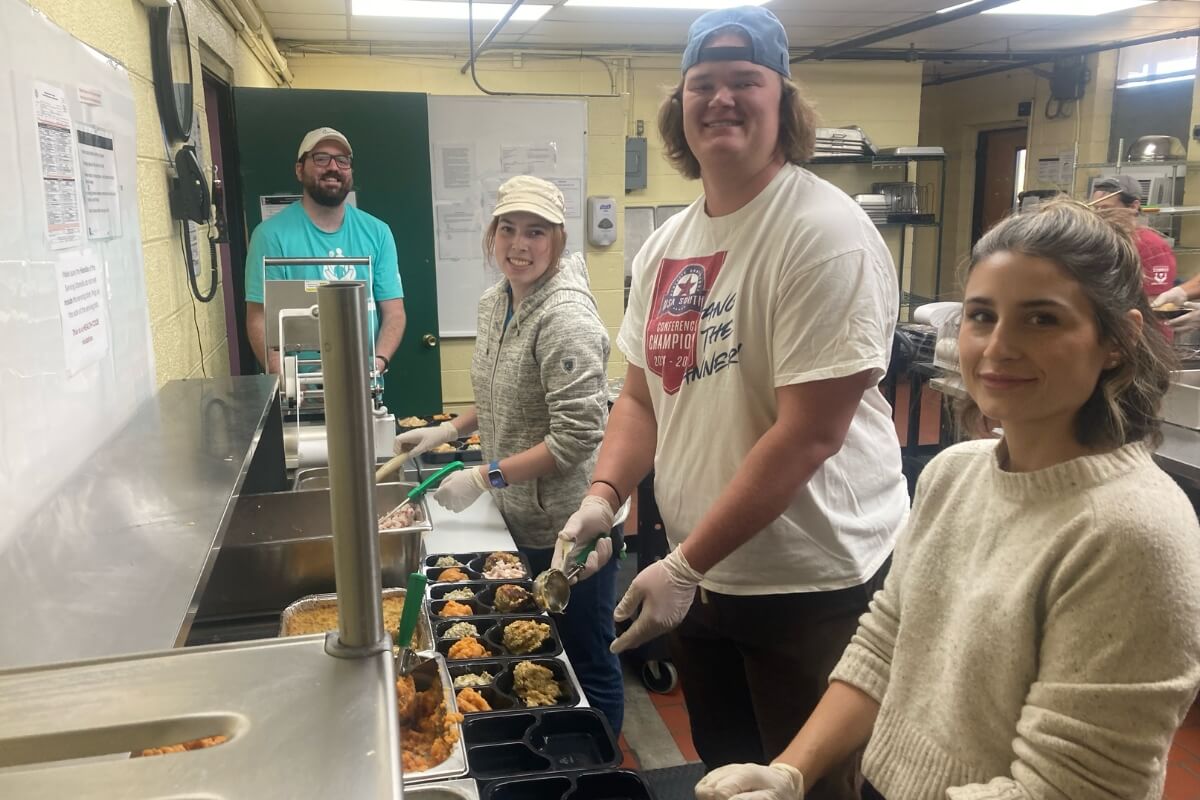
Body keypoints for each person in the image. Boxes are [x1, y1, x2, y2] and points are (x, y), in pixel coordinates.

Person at [695, 199, 1200, 800]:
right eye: (982, 316)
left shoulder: (1131, 532)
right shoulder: (953, 475)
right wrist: (791, 771)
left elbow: (1069, 787)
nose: (998, 347)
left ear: (1118, 340)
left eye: (1042, 320)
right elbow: (886, 644)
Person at [552, 7, 908, 797]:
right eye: (702, 84)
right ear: (679, 107)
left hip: (812, 582)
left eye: (745, 82)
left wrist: (682, 561)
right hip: (706, 580)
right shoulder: (665, 245)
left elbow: (809, 435)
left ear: (784, 102)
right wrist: (603, 499)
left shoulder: (823, 232)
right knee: (725, 775)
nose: (721, 99)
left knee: (811, 784)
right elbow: (643, 398)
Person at [392, 176, 624, 734]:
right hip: (516, 515)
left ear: (559, 240)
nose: (518, 244)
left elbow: (575, 438)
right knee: (539, 654)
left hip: (567, 523)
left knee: (585, 658)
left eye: (535, 232)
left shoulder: (565, 318)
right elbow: (501, 394)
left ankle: (601, 768)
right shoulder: (496, 301)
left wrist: (483, 475)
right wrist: (448, 429)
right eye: (508, 229)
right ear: (491, 235)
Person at [244, 127, 406, 375]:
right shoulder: (270, 235)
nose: (333, 167)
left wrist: (378, 362)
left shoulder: (378, 232)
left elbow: (394, 312)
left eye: (343, 161)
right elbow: (258, 317)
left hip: (363, 384)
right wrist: (284, 380)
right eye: (321, 158)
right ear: (300, 169)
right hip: (299, 393)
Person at [1088, 174, 1176, 299]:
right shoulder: (1096, 240)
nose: (1098, 214)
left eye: (1106, 208)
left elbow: (1155, 301)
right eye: (1096, 208)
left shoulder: (1151, 246)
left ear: (1133, 207)